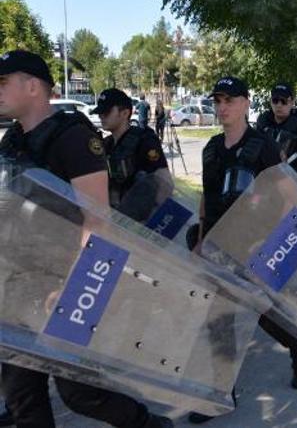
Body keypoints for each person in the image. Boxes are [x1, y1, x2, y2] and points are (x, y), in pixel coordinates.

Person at [0, 50, 172, 428]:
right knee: (21, 396)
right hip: (16, 286)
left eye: (3, 82)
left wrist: (76, 290)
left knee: (81, 393)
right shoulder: (12, 142)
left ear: (32, 87)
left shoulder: (73, 140)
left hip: (60, 285)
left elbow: (98, 223)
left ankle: (147, 424)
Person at [189, 76, 297, 424]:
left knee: (264, 312)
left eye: (229, 99)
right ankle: (220, 393)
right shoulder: (211, 148)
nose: (222, 106)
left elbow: (289, 198)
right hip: (218, 245)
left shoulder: (263, 146)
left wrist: (274, 242)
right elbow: (207, 197)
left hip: (254, 244)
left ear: (246, 103)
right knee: (218, 319)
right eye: (217, 100)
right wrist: (201, 238)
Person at [93, 88, 172, 222]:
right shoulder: (106, 144)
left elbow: (165, 184)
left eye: (106, 112)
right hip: (115, 220)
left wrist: (150, 224)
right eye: (100, 112)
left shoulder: (144, 141)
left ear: (125, 113)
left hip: (139, 224)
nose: (101, 116)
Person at [256, 83, 297, 183]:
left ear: (292, 102)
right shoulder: (263, 120)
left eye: (284, 101)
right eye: (275, 100)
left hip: (291, 187)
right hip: (266, 187)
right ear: (271, 102)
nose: (279, 105)